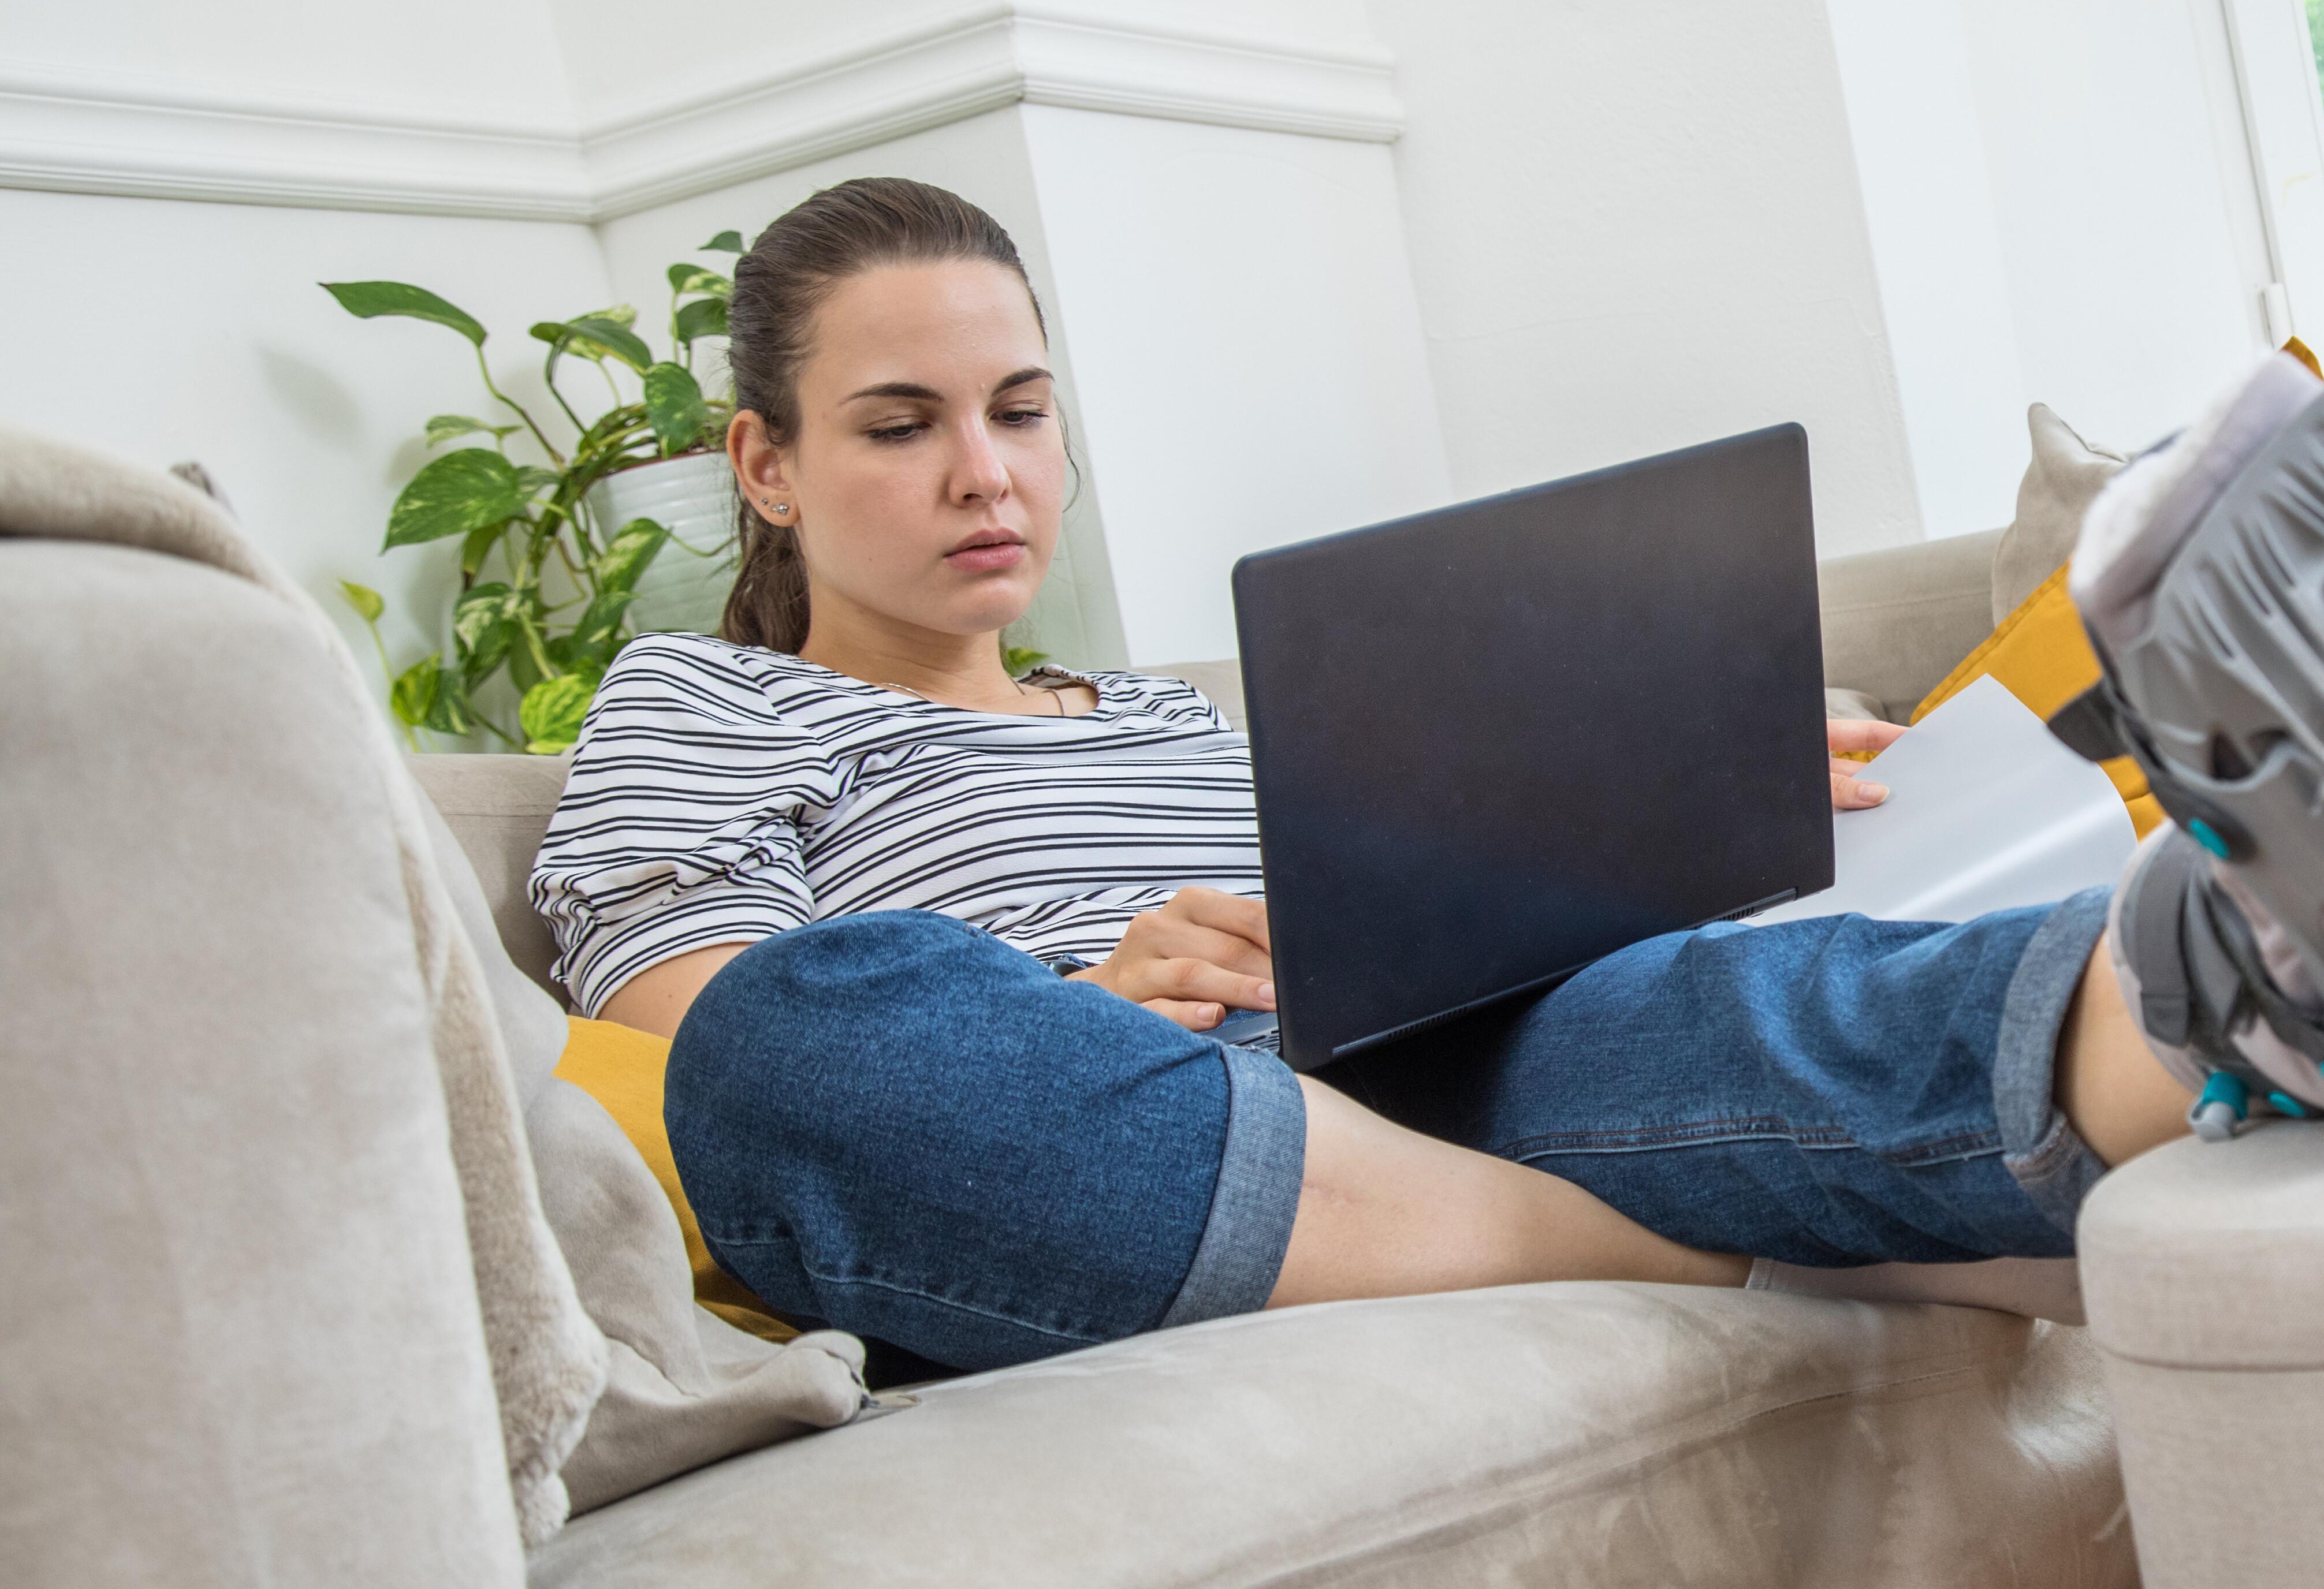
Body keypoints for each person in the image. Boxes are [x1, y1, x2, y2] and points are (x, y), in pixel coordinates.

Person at [532, 180, 2219, 1371]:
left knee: (1692, 997)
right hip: (1108, 1140)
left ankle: (2251, 972)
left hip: (1399, 1073)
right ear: (766, 464)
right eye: (902, 426)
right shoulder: (699, 699)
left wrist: (1651, 807)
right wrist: (1083, 1002)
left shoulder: (1167, 720)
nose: (986, 474)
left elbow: (1401, 934)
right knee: (795, 1037)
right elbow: (713, 1053)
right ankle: (1705, 1252)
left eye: (1021, 411)